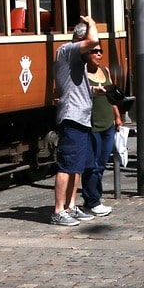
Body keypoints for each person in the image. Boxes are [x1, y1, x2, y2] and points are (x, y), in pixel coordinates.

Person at [51, 16, 101, 227]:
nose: (94, 53)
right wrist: (93, 24)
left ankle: (71, 206)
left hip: (82, 118)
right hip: (72, 117)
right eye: (91, 50)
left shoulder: (77, 62)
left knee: (78, 166)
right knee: (66, 165)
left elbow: (73, 86)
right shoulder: (67, 51)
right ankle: (58, 211)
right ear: (80, 39)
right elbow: (93, 40)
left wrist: (92, 90)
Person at [79, 38, 120, 217]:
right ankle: (92, 201)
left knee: (102, 164)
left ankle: (94, 199)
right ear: (86, 54)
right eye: (94, 51)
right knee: (92, 165)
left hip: (108, 124)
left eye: (100, 51)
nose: (98, 54)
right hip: (92, 125)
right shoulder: (82, 74)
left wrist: (117, 117)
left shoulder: (105, 71)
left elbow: (111, 98)